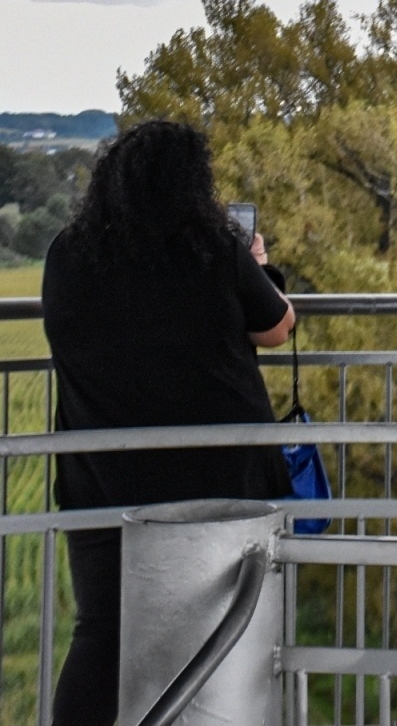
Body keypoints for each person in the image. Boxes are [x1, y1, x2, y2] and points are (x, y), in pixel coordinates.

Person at [40, 120, 295, 726]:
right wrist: (259, 267)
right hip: (217, 484)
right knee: (224, 636)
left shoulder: (66, 255)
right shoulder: (211, 251)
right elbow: (277, 326)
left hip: (100, 482)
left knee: (99, 632)